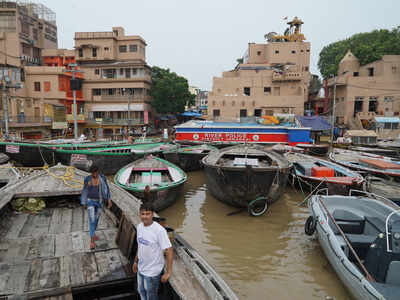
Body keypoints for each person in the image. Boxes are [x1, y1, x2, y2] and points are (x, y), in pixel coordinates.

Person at [133, 203, 173, 300]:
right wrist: (135, 261)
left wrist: (168, 272)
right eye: (143, 214)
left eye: (148, 214)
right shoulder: (139, 227)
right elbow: (140, 245)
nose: (145, 216)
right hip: (141, 267)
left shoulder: (159, 231)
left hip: (152, 271)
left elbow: (169, 250)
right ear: (139, 214)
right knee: (141, 291)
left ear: (152, 214)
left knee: (151, 296)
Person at [81, 165, 112, 250]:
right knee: (92, 220)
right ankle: (92, 241)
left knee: (96, 220)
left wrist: (109, 200)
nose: (94, 174)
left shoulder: (102, 178)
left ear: (98, 171)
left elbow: (107, 189)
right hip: (90, 201)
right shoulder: (87, 179)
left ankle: (93, 233)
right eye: (92, 173)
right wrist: (83, 202)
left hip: (100, 202)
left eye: (95, 172)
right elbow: (84, 190)